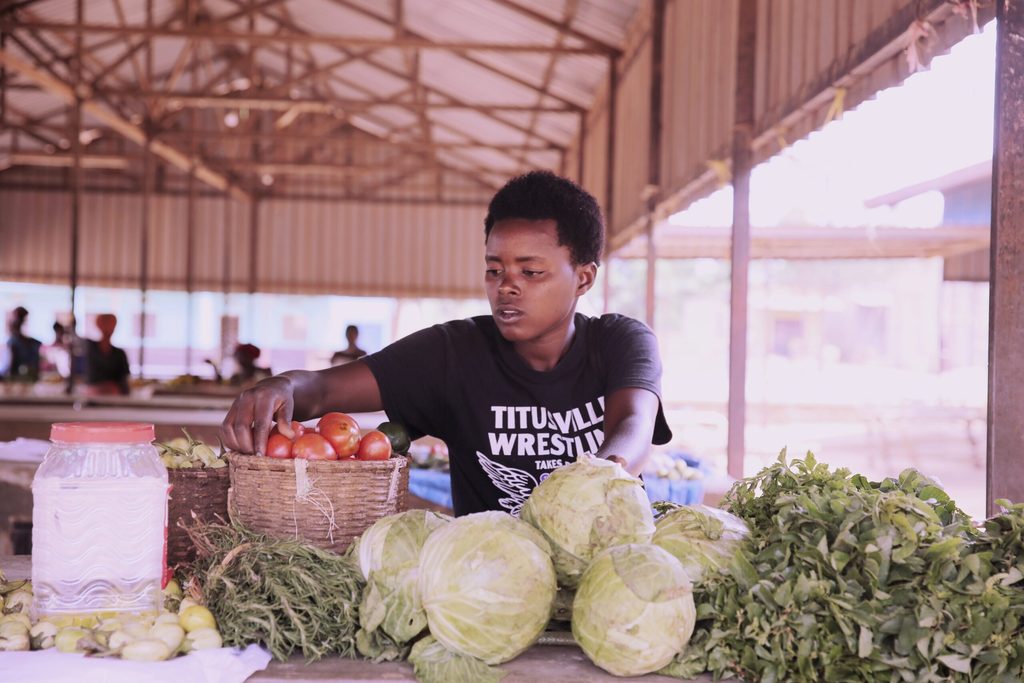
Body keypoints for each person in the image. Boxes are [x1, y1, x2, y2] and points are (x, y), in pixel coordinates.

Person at [221, 171, 672, 516]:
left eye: (531, 273)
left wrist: (606, 474)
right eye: (495, 270)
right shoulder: (453, 354)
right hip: (492, 590)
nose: (507, 287)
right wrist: (279, 388)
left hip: (603, 569)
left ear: (584, 278)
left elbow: (633, 423)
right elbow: (321, 389)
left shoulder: (620, 342)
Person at [85, 313, 131, 396]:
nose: (109, 328)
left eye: (112, 324)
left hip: (114, 398)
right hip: (92, 397)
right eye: (106, 323)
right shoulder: (89, 348)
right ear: (99, 325)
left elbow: (124, 382)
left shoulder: (119, 354)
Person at [4, 306, 42, 382]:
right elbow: (11, 365)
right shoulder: (13, 342)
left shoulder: (32, 343)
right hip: (19, 377)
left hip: (27, 376)